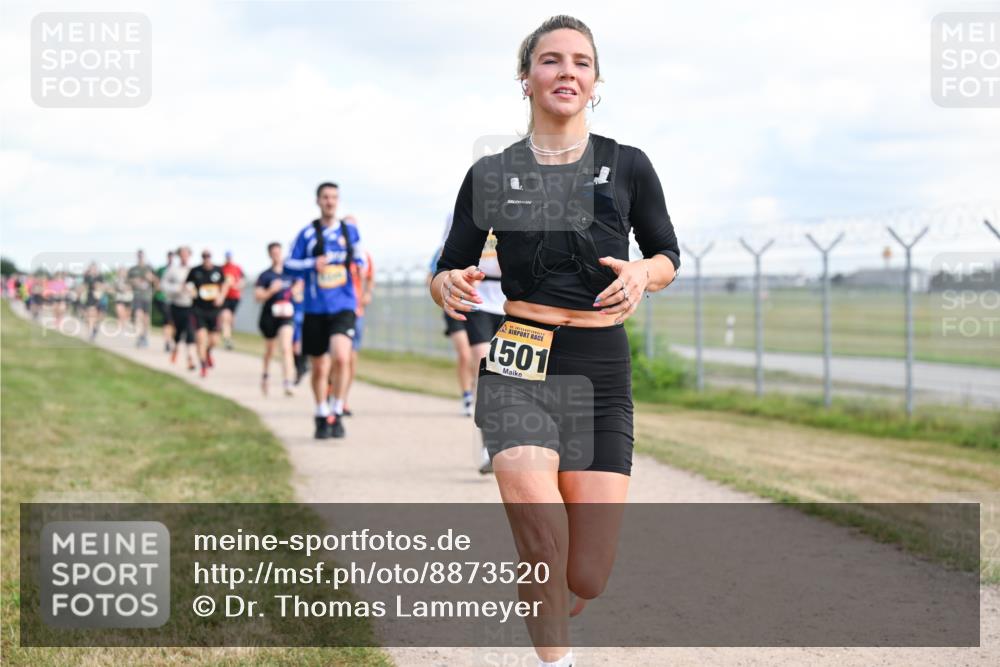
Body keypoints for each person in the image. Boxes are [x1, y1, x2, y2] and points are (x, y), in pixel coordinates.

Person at [430, 16, 680, 667]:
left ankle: (561, 588)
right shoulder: (490, 173)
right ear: (526, 78)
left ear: (595, 83)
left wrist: (642, 275)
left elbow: (667, 253)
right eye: (551, 60)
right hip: (520, 358)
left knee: (586, 574)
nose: (567, 71)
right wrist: (447, 283)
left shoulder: (628, 165)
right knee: (542, 539)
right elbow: (449, 264)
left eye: (581, 62)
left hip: (600, 367)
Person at [284, 182, 367, 440]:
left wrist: (360, 276)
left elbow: (361, 258)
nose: (330, 201)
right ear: (318, 201)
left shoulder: (349, 231)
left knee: (342, 357)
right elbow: (288, 265)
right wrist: (312, 264)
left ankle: (337, 409)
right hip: (315, 308)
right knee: (319, 366)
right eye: (325, 197)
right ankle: (321, 412)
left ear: (338, 201)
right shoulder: (306, 234)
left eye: (334, 197)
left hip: (343, 305)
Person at [255, 242, 296, 396]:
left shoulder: (290, 273)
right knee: (270, 350)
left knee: (286, 347)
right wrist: (271, 291)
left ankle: (288, 382)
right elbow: (258, 296)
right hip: (269, 316)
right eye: (274, 253)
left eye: (279, 252)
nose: (277, 255)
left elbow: (298, 290)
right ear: (270, 255)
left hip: (286, 315)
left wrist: (296, 292)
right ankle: (265, 375)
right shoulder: (265, 276)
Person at [342, 241, 375, 416]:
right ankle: (331, 394)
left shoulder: (363, 255)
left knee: (351, 358)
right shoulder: (334, 254)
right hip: (336, 312)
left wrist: (368, 293)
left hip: (356, 313)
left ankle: (343, 400)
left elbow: (370, 277)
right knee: (339, 357)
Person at [186, 249, 227, 378]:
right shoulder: (195, 271)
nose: (206, 258)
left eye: (208, 256)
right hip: (199, 309)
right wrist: (190, 290)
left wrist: (221, 296)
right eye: (204, 256)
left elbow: (225, 284)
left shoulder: (217, 271)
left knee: (214, 340)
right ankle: (203, 365)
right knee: (201, 338)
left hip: (213, 310)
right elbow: (188, 284)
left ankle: (208, 352)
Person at [162, 246, 197, 371]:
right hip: (176, 305)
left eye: (186, 254)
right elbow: (164, 285)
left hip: (190, 305)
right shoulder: (172, 270)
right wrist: (178, 288)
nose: (184, 256)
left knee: (190, 332)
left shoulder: (193, 270)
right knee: (178, 332)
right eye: (182, 254)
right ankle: (175, 349)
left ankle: (190, 359)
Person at [128, 249, 156, 348]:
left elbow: (156, 282)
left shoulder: (149, 267)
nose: (140, 257)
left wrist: (151, 278)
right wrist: (133, 282)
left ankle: (145, 336)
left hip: (147, 296)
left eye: (141, 255)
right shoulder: (133, 269)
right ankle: (139, 336)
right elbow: (128, 282)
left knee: (146, 318)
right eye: (138, 255)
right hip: (137, 295)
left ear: (144, 256)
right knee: (138, 315)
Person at [220, 250, 245, 350]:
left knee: (231, 320)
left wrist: (236, 285)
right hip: (225, 297)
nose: (228, 259)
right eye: (227, 257)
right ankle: (227, 339)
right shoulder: (221, 269)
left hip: (235, 297)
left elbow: (242, 281)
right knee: (225, 317)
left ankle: (229, 336)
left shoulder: (237, 268)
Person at [154, 250, 175, 351]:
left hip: (174, 300)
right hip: (162, 298)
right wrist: (158, 287)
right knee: (168, 319)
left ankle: (170, 340)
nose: (171, 259)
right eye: (169, 257)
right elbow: (156, 281)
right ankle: (167, 341)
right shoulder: (162, 269)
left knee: (172, 321)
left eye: (172, 257)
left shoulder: (176, 269)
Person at [81, 263, 106, 340]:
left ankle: (94, 328)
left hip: (99, 297)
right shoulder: (87, 277)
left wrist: (99, 289)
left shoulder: (100, 277)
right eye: (92, 268)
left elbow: (102, 287)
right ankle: (91, 332)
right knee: (90, 315)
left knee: (97, 316)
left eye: (94, 268)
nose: (93, 270)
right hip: (90, 297)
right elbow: (84, 286)